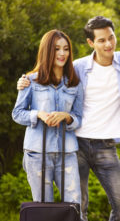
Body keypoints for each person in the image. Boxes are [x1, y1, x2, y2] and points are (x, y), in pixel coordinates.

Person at [17, 16, 120, 221]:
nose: (108, 44)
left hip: (106, 147)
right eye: (101, 40)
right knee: (78, 208)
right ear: (91, 43)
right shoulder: (77, 68)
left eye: (111, 37)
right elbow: (49, 78)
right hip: (76, 145)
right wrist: (24, 81)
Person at [12, 30, 83, 206]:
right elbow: (17, 113)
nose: (62, 53)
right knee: (44, 208)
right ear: (47, 51)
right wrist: (38, 114)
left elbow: (79, 118)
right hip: (37, 153)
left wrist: (66, 117)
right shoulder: (30, 80)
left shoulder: (74, 83)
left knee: (75, 206)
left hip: (67, 153)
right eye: (57, 48)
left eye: (66, 49)